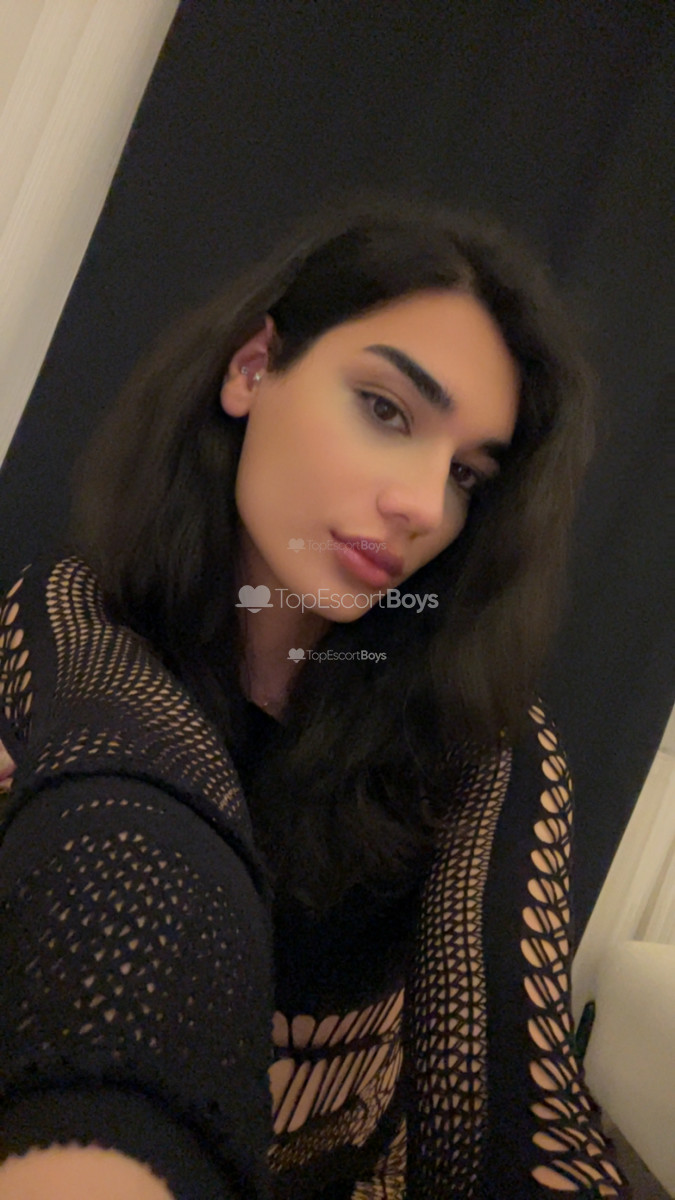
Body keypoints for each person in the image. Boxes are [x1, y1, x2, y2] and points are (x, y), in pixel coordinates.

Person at [0, 192, 630, 1199]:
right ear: (253, 369)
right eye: (386, 409)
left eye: (467, 475)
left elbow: (515, 1070)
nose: (420, 505)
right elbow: (138, 815)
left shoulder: (481, 744)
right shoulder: (69, 621)